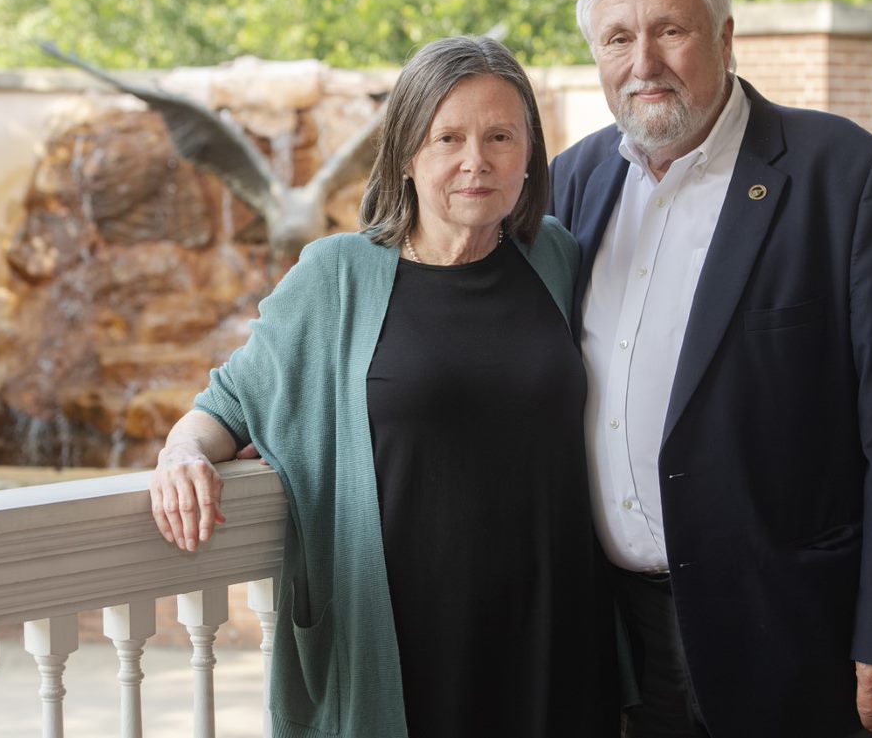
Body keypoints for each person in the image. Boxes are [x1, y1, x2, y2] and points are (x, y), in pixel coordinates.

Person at [549, 0, 872, 738]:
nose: (645, 63)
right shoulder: (572, 180)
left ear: (726, 36)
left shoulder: (846, 176)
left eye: (671, 29)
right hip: (620, 641)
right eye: (619, 39)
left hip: (799, 639)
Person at [150, 36, 618, 738]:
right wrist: (182, 454)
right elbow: (224, 405)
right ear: (405, 154)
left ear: (529, 155)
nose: (475, 160)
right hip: (401, 638)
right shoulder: (336, 275)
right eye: (447, 137)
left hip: (548, 630)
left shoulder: (554, 257)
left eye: (500, 136)